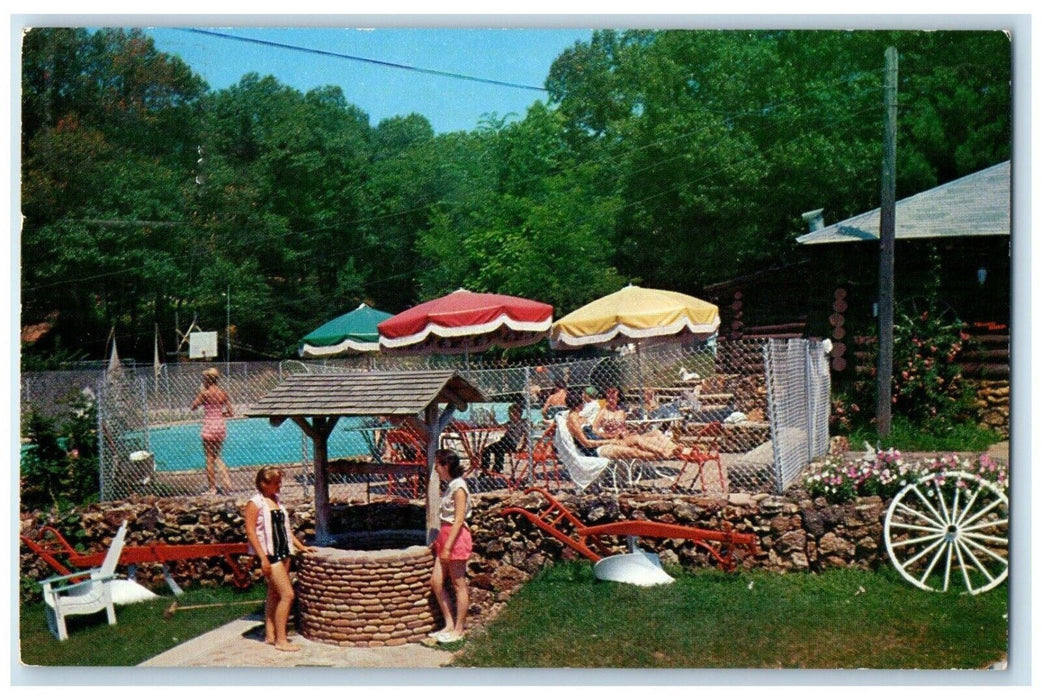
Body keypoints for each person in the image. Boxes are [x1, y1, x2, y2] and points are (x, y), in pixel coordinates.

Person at [244, 467, 314, 652]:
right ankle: (281, 641)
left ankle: (270, 634)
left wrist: (301, 547)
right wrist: (262, 558)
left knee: (274, 594)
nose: (280, 485)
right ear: (263, 484)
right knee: (288, 595)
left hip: (284, 552)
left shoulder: (276, 502)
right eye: (276, 482)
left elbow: (285, 530)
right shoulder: (255, 503)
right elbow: (251, 531)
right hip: (270, 554)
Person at [564, 389, 685, 461]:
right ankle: (664, 454)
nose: (585, 403)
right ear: (579, 402)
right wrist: (609, 440)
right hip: (596, 450)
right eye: (582, 401)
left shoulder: (581, 417)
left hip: (607, 441)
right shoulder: (573, 420)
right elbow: (586, 443)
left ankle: (669, 449)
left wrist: (609, 437)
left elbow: (594, 432)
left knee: (639, 438)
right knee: (634, 451)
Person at [429, 449, 471, 644]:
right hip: (445, 537)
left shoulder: (459, 487)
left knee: (458, 583)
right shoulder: (450, 486)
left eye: (437, 464)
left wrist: (447, 547)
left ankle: (459, 629)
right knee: (436, 582)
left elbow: (459, 519)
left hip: (456, 538)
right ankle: (448, 623)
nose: (435, 468)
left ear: (445, 465)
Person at [190, 367, 233, 495]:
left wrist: (201, 392)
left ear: (207, 380)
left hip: (209, 425)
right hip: (220, 424)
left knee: (209, 458)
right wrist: (219, 415)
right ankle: (227, 483)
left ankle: (212, 488)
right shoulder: (223, 393)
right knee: (217, 456)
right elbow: (231, 412)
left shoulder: (205, 394)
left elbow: (193, 407)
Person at [480, 403, 529, 474]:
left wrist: (523, 447)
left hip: (512, 443)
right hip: (504, 440)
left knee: (500, 449)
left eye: (515, 413)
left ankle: (497, 468)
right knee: (486, 449)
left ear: (520, 414)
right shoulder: (509, 423)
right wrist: (493, 418)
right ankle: (485, 468)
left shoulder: (522, 423)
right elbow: (498, 427)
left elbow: (526, 436)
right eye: (510, 413)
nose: (512, 415)